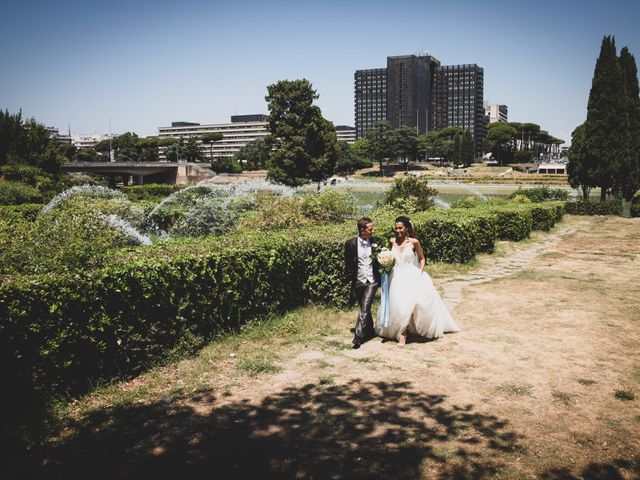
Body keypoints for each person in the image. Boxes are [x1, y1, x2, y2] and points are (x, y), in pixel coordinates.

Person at [376, 216, 459, 346]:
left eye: (401, 228)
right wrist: (385, 264)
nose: (398, 230)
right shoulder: (392, 241)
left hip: (411, 275)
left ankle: (403, 333)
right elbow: (390, 258)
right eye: (396, 228)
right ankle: (402, 333)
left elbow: (422, 258)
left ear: (407, 228)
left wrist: (420, 271)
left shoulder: (414, 242)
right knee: (398, 305)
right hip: (396, 276)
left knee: (411, 304)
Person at [344, 217, 381, 349]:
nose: (373, 231)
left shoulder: (376, 242)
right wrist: (352, 279)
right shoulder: (350, 244)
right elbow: (348, 263)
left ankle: (358, 337)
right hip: (358, 281)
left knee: (365, 307)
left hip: (372, 280)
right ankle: (370, 330)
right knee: (365, 307)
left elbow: (380, 260)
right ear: (362, 230)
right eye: (370, 229)